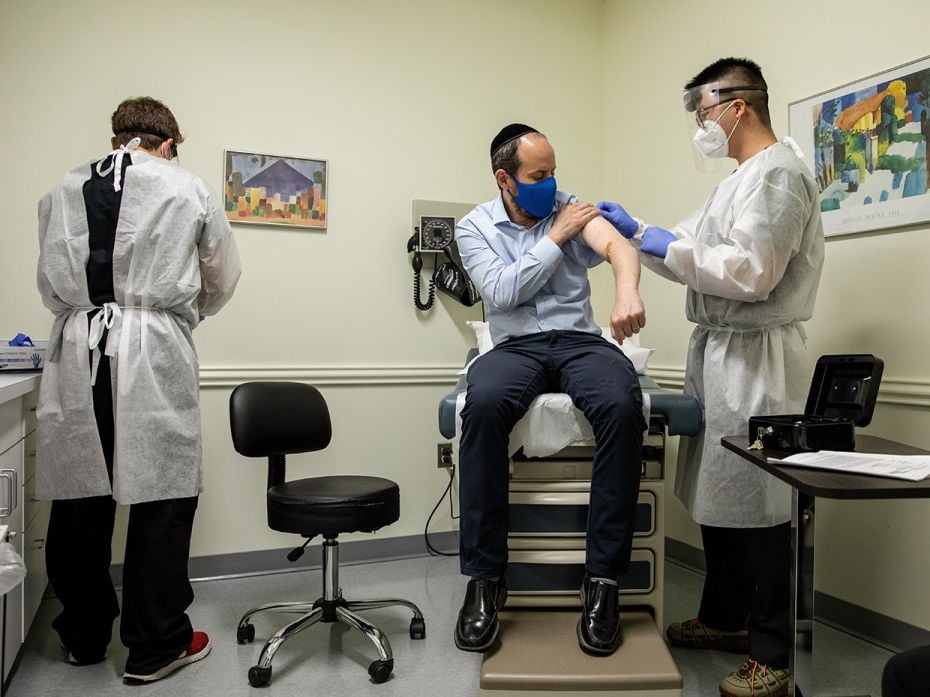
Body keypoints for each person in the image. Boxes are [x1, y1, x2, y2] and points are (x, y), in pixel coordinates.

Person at [598, 58, 824, 697]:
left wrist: (654, 241)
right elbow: (692, 250)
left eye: (703, 113)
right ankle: (726, 620)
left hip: (759, 361)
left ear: (738, 106)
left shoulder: (779, 175)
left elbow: (750, 273)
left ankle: (772, 653)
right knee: (721, 501)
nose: (701, 125)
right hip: (721, 354)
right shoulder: (739, 180)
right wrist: (635, 233)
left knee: (761, 508)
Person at [35, 96, 241, 683]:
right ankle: (156, 646)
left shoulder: (63, 188)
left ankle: (83, 635)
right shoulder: (187, 187)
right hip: (153, 346)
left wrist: (88, 311)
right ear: (169, 142)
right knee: (163, 497)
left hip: (78, 346)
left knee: (78, 499)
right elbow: (221, 276)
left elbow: (50, 285)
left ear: (117, 137)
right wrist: (170, 314)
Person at [453, 123, 647, 656]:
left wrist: (626, 290)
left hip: (580, 341)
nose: (552, 183)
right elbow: (500, 291)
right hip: (514, 346)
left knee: (622, 403)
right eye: (539, 175)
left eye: (554, 171)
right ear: (505, 179)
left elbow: (616, 246)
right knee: (484, 405)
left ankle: (603, 580)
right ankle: (485, 579)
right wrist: (555, 236)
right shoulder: (473, 228)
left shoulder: (569, 205)